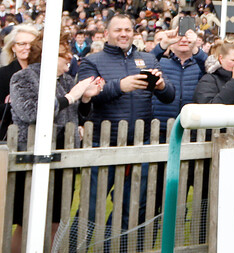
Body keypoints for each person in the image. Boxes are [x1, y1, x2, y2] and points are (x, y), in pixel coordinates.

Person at [76, 13, 174, 243]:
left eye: (127, 30)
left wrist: (160, 85)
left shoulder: (148, 60)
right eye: (118, 30)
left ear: (134, 33)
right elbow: (86, 98)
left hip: (142, 144)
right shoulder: (93, 61)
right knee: (92, 208)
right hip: (104, 143)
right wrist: (120, 86)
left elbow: (170, 96)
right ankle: (75, 247)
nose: (123, 34)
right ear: (107, 33)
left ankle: (114, 247)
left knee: (132, 208)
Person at [8, 37, 103, 252]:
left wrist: (85, 99)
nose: (69, 58)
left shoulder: (67, 80)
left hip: (63, 157)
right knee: (27, 222)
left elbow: (78, 116)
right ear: (46, 56)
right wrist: (70, 98)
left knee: (56, 222)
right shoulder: (23, 77)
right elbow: (30, 112)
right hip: (31, 156)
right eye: (63, 54)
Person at [0, 25, 39, 140]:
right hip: (11, 136)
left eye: (32, 44)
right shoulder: (3, 74)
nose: (27, 47)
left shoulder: (46, 73)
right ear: (13, 47)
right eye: (22, 44)